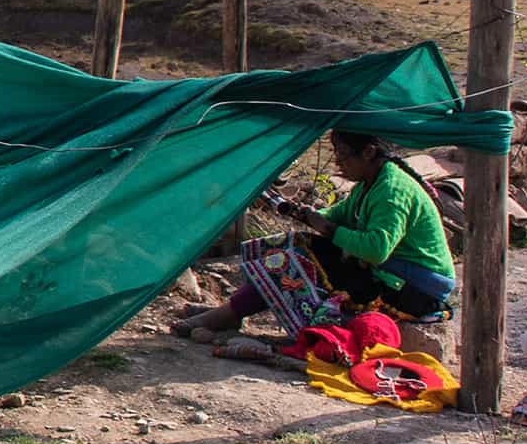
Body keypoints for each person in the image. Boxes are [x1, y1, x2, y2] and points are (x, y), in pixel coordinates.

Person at [180, 130, 458, 341]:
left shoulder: (392, 191)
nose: (338, 162)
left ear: (369, 152)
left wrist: (327, 228)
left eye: (343, 154)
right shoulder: (370, 184)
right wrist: (309, 215)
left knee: (300, 261)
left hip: (413, 289)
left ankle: (229, 314)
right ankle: (232, 310)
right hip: (392, 275)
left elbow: (376, 249)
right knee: (294, 245)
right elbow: (342, 214)